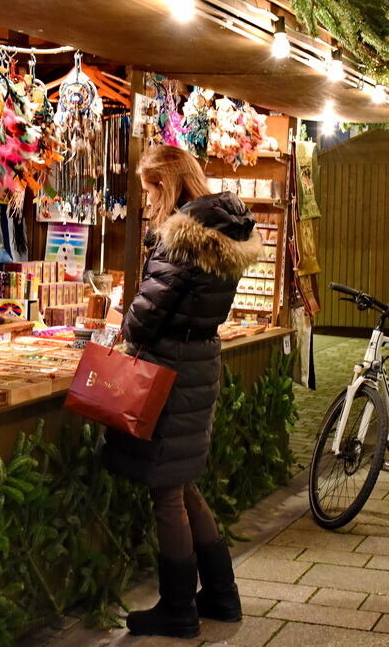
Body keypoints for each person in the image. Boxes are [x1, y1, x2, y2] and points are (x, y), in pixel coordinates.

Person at [100, 145, 261, 638]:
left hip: (168, 370)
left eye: (150, 190)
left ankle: (177, 608)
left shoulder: (179, 241)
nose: (147, 202)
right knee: (184, 481)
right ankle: (220, 594)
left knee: (167, 491)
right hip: (199, 364)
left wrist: (120, 318)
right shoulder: (223, 234)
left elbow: (144, 319)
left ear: (167, 185)